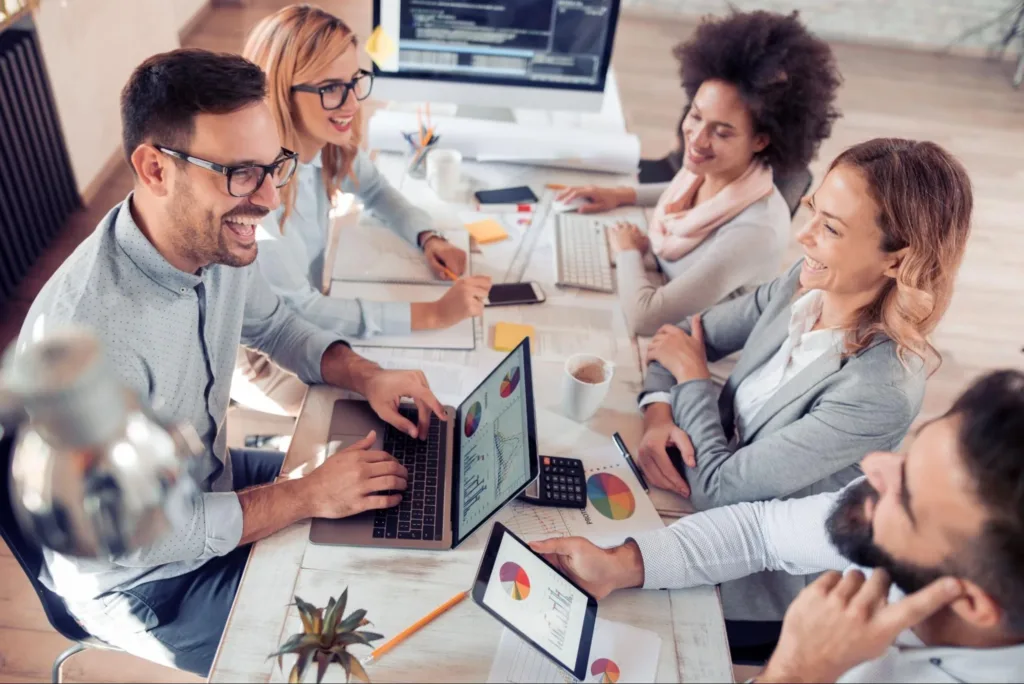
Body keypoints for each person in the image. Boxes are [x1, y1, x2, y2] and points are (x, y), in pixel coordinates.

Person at [17, 49, 446, 676]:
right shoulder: (89, 342)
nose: (270, 197)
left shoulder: (212, 239)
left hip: (204, 475)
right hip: (143, 579)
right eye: (241, 174)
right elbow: (155, 535)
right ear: (155, 169)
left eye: (273, 166)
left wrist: (367, 376)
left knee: (394, 503)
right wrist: (303, 495)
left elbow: (275, 324)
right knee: (353, 656)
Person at [637, 137, 973, 630]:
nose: (803, 236)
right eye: (814, 211)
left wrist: (691, 380)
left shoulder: (879, 388)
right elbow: (681, 336)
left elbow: (721, 491)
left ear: (897, 261)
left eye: (830, 228)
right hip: (682, 491)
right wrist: (658, 412)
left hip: (749, 582)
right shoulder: (807, 279)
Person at [533, 370, 1024, 683]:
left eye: (908, 492)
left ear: (971, 603)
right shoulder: (915, 534)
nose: (875, 465)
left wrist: (797, 672)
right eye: (909, 454)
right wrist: (622, 563)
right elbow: (760, 530)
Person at [235, 4, 492, 416]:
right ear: (282, 92)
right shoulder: (258, 205)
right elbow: (304, 312)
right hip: (267, 358)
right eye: (331, 88)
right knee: (391, 404)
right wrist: (433, 314)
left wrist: (428, 237)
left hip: (313, 309)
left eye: (354, 81)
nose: (352, 102)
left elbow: (375, 189)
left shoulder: (325, 143)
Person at [558, 10, 842, 336]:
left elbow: (645, 319)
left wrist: (627, 251)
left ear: (761, 140)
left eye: (721, 132)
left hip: (689, 349)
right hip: (662, 291)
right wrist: (622, 194)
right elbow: (694, 194)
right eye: (695, 116)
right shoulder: (712, 171)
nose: (696, 139)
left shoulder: (754, 231)